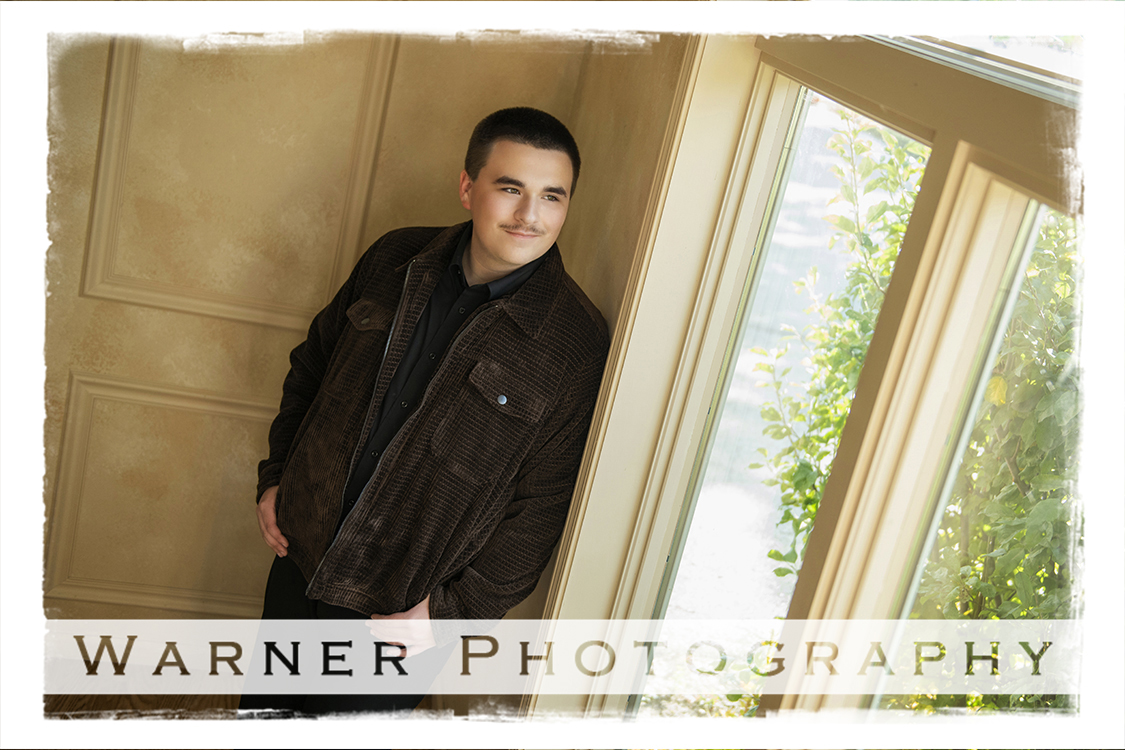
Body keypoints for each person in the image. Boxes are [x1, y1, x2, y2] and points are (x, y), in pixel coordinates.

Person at [238, 107, 609, 716]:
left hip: (399, 613)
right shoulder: (395, 257)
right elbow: (313, 366)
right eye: (510, 188)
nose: (530, 215)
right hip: (300, 557)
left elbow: (541, 509)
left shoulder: (573, 342)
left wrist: (449, 616)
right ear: (468, 187)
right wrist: (277, 476)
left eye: (552, 196)